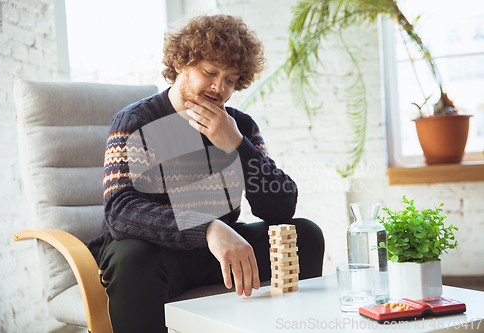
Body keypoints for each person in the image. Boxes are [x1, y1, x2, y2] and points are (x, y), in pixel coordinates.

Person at [88, 14, 325, 333]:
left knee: (304, 234)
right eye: (209, 72)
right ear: (179, 65)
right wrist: (208, 227)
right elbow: (120, 210)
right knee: (133, 257)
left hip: (215, 257)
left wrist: (239, 145)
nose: (219, 87)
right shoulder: (135, 122)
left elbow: (280, 208)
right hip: (155, 257)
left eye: (230, 79)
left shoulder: (240, 126)